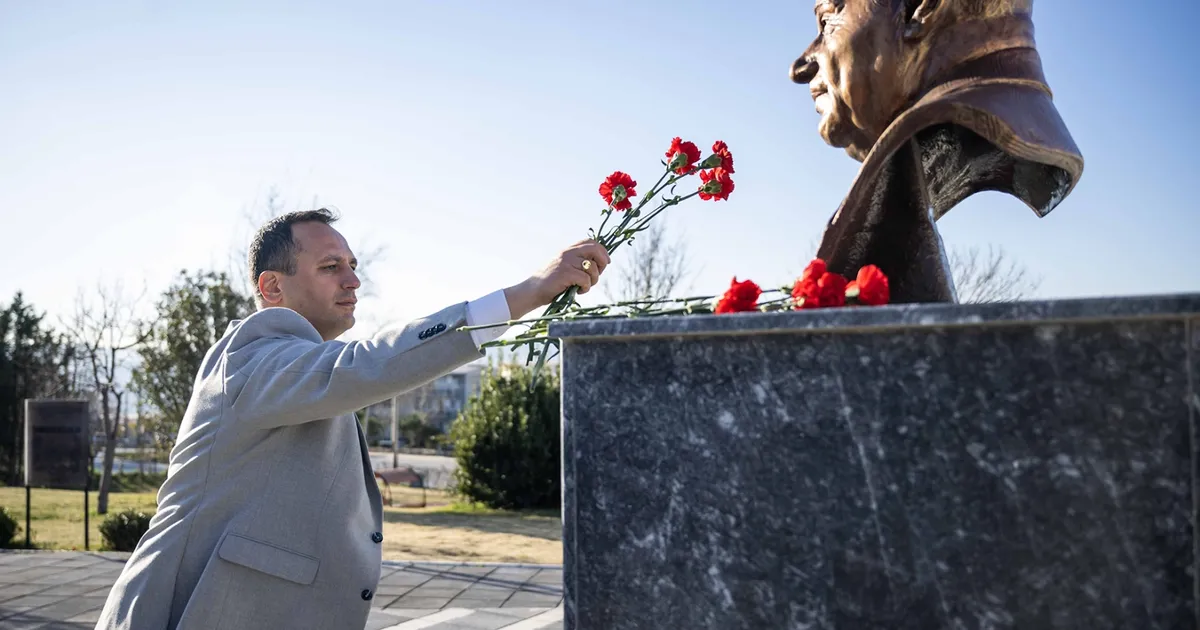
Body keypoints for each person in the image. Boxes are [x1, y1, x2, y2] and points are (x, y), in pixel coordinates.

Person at [95, 208, 610, 630]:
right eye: (330, 267)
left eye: (352, 264)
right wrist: (523, 295)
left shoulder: (301, 368)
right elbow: (363, 365)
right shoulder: (254, 355)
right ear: (272, 288)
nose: (354, 280)